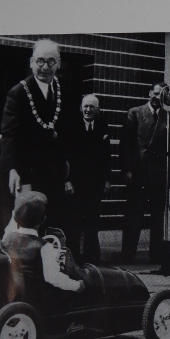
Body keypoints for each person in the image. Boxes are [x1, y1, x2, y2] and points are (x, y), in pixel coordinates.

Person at [0, 39, 72, 235]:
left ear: (58, 63)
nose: (45, 67)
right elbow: (9, 134)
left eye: (50, 61)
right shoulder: (18, 93)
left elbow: (68, 131)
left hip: (55, 174)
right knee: (26, 228)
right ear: (32, 62)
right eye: (40, 61)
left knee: (54, 226)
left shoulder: (64, 90)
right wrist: (12, 168)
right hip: (27, 172)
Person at [120, 82, 170, 265]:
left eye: (161, 95)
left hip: (159, 173)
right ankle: (128, 255)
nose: (157, 98)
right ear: (149, 93)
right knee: (134, 215)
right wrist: (126, 169)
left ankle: (156, 255)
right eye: (155, 93)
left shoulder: (168, 117)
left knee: (157, 216)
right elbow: (126, 144)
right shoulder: (135, 113)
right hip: (138, 172)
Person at [1, 191, 86, 297]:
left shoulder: (7, 238)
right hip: (39, 299)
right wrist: (77, 285)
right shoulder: (45, 247)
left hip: (15, 294)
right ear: (43, 219)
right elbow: (54, 278)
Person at [66, 94, 112, 263]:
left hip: (95, 183)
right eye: (85, 106)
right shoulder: (72, 126)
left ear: (97, 109)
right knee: (75, 221)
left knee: (93, 221)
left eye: (92, 107)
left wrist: (107, 180)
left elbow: (107, 156)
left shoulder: (102, 126)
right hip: (75, 184)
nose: (88, 110)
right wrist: (67, 180)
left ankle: (92, 258)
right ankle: (74, 258)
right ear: (81, 108)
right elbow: (65, 156)